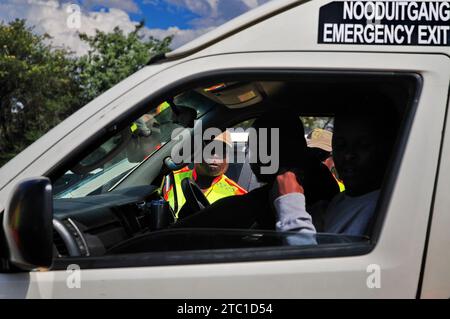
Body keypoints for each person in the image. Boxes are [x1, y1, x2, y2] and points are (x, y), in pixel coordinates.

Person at [273, 97, 398, 236]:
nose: (348, 155)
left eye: (363, 145)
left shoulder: (384, 210)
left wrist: (290, 202)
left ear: (386, 149)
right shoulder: (341, 201)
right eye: (340, 145)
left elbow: (308, 256)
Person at [161, 131, 247, 218]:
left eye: (222, 150)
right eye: (210, 149)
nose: (216, 155)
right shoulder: (170, 177)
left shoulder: (238, 195)